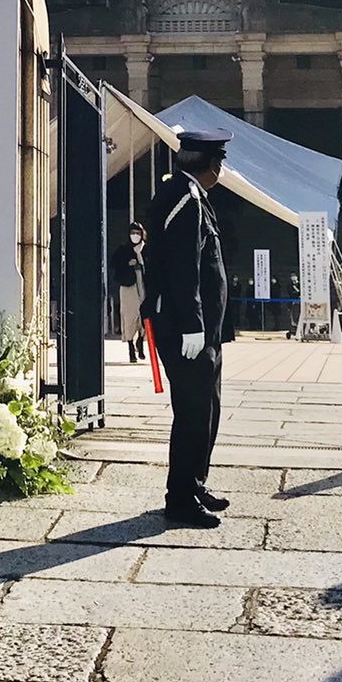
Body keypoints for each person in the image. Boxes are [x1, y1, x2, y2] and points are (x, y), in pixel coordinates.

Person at [143, 124, 231, 528]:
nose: (221, 171)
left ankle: (195, 483)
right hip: (185, 329)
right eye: (220, 162)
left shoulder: (192, 195)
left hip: (202, 330)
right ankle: (179, 498)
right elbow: (183, 267)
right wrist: (193, 324)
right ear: (211, 164)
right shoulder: (184, 198)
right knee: (193, 411)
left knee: (207, 407)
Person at [110, 223, 147, 363]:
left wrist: (140, 258)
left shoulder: (146, 249)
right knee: (129, 315)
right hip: (128, 286)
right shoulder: (122, 250)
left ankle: (141, 342)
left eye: (138, 233)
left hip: (143, 285)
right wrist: (127, 264)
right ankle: (131, 347)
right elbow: (114, 264)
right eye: (133, 233)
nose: (135, 236)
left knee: (144, 315)